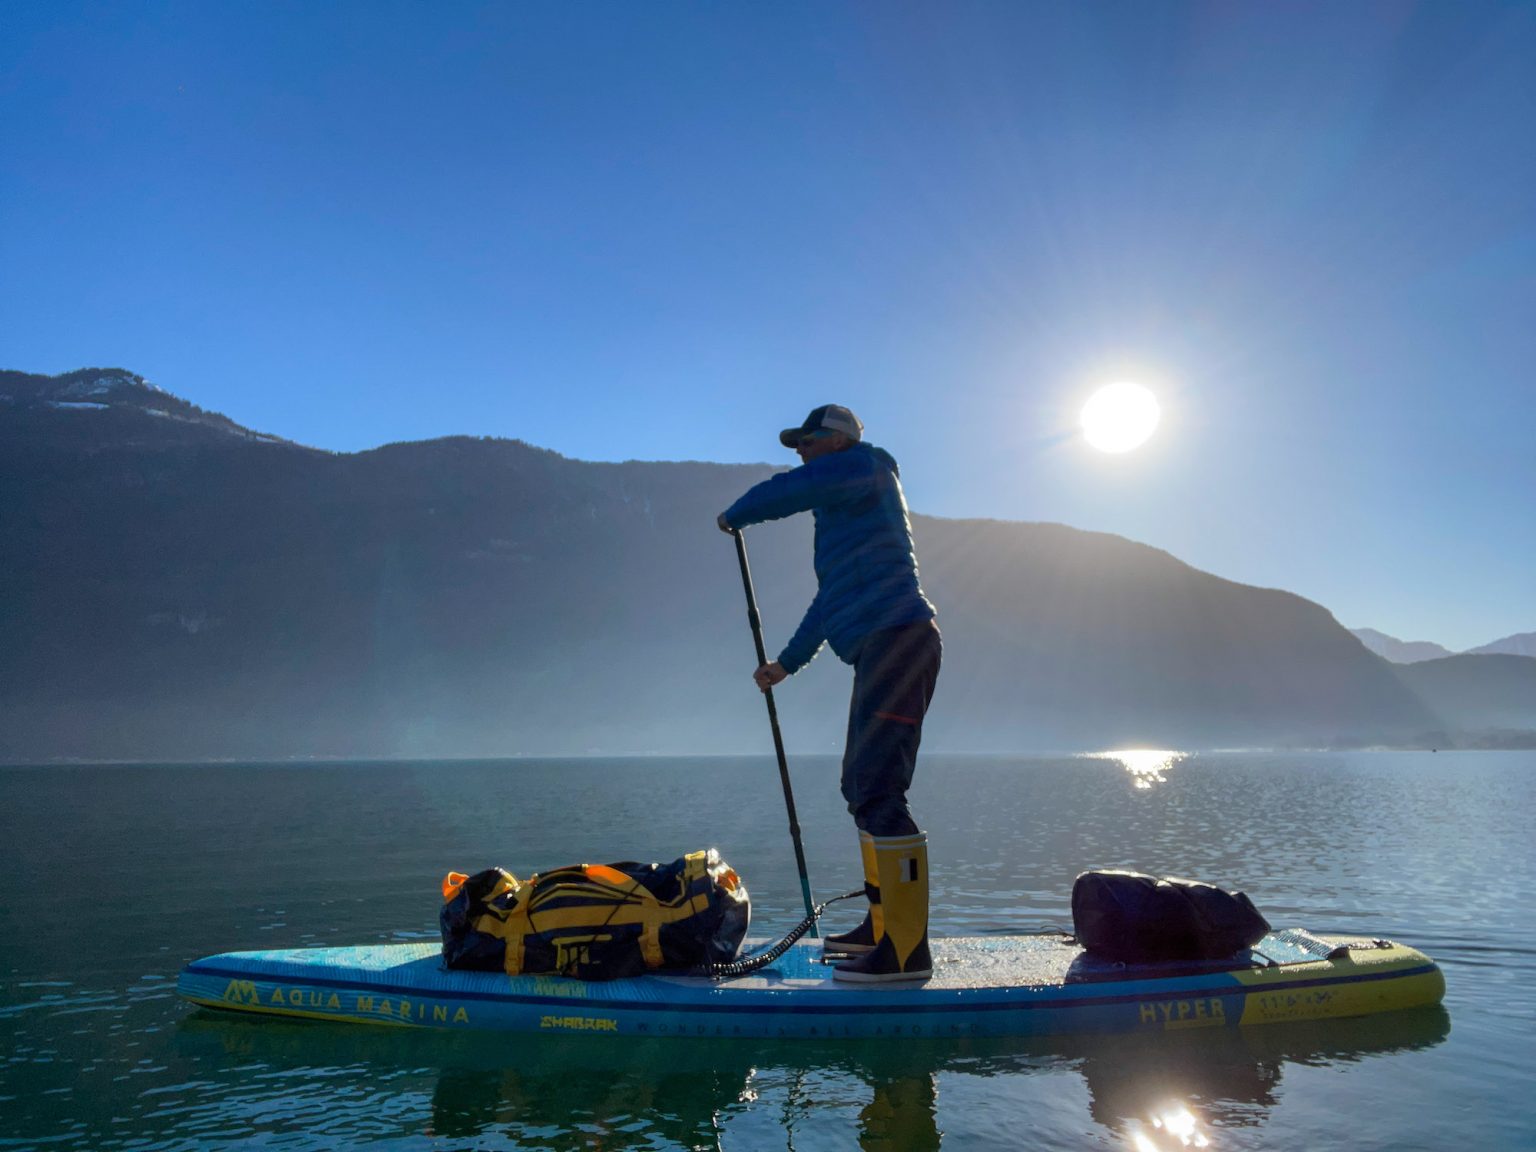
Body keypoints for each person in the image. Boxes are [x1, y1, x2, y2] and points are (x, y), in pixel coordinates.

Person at [717, 405, 941, 982]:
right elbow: (829, 602)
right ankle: (882, 926)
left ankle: (908, 950)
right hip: (882, 647)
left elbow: (792, 489)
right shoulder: (846, 518)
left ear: (835, 440)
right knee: (860, 785)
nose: (801, 452)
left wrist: (737, 514)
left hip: (899, 641)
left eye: (807, 441)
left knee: (878, 788)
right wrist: (786, 665)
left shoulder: (862, 467)